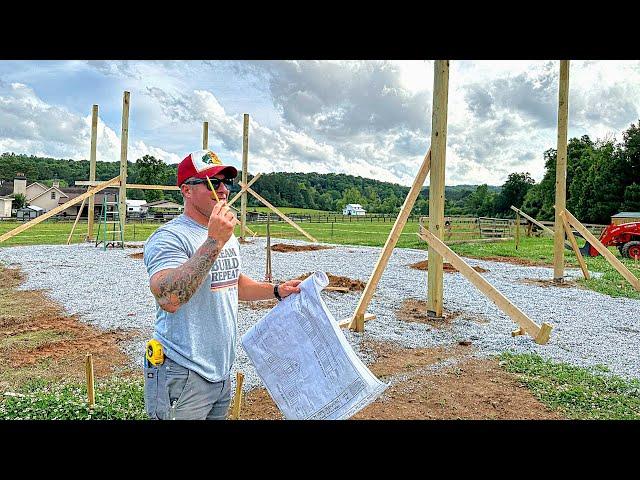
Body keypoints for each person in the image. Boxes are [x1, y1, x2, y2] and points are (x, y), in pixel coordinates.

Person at [142, 149, 302, 420]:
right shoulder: (170, 237)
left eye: (225, 182)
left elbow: (233, 283)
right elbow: (169, 298)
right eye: (211, 183)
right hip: (182, 370)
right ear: (186, 190)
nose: (223, 190)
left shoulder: (224, 236)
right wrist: (214, 241)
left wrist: (276, 290)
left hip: (220, 370)